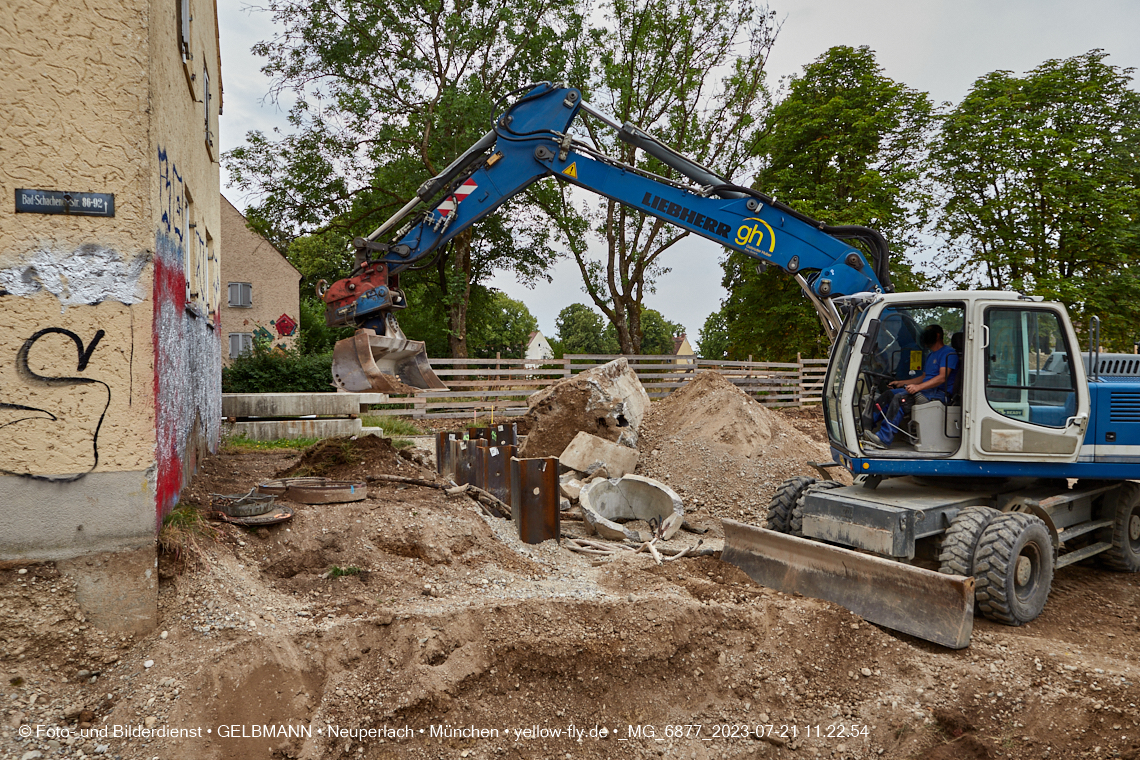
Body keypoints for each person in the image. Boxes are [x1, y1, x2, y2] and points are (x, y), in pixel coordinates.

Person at [865, 324, 958, 447]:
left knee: (900, 399)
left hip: (938, 394)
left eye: (927, 333)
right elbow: (923, 377)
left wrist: (918, 388)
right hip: (926, 391)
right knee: (888, 395)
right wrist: (902, 383)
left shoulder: (949, 353)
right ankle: (865, 427)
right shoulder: (930, 355)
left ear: (937, 335)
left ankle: (883, 439)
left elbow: (942, 377)